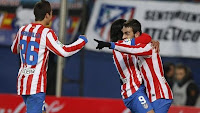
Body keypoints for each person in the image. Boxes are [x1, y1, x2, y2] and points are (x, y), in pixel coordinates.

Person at [10, 0, 88, 112]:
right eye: (51, 13)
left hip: (23, 81)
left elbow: (14, 49)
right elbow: (64, 51)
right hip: (36, 84)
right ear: (47, 15)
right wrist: (81, 41)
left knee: (42, 110)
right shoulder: (46, 33)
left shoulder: (23, 29)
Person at [95, 19, 173, 113]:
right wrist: (151, 40)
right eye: (123, 33)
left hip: (151, 92)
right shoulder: (122, 45)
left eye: (127, 33)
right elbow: (144, 38)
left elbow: (140, 43)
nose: (124, 36)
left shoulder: (138, 47)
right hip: (134, 90)